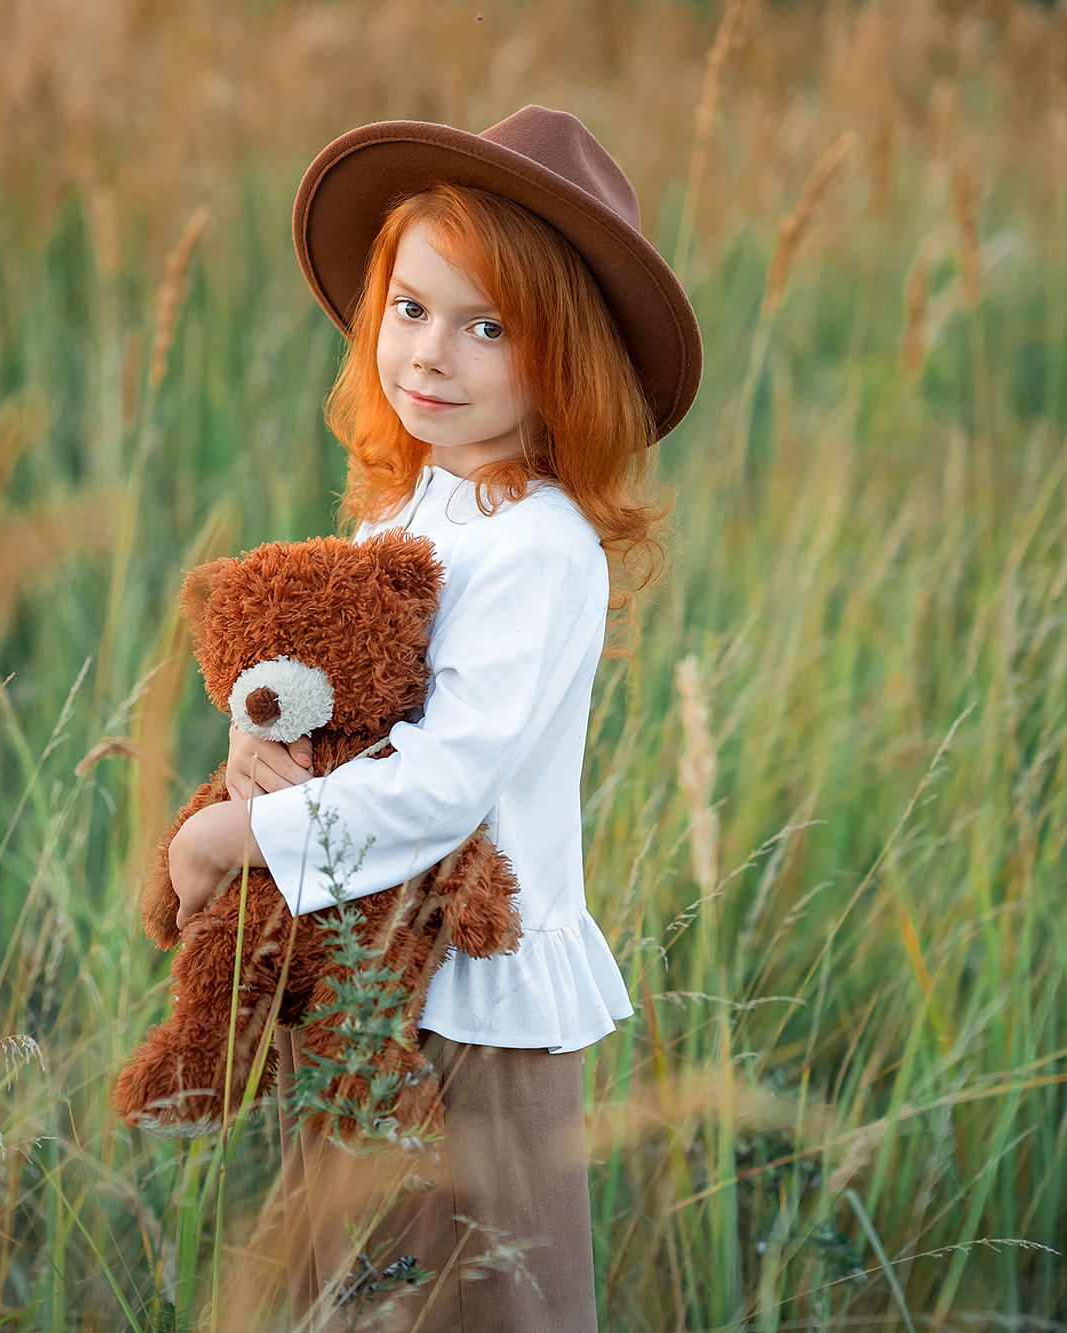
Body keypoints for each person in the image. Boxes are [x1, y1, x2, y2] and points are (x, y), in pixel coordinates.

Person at [163, 105, 703, 1331]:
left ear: (564, 358)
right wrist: (261, 754)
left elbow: (440, 782)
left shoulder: (540, 548)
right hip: (361, 971)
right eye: (410, 309)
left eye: (486, 328)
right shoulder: (404, 515)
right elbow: (348, 716)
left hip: (472, 995)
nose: (430, 356)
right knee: (348, 1289)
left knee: (478, 1292)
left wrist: (222, 842)